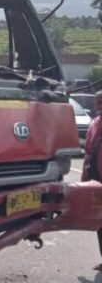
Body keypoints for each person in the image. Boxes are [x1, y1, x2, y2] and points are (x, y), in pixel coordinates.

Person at [81, 90, 102, 270]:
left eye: (100, 102)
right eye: (97, 102)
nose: (98, 106)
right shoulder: (94, 124)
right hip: (96, 180)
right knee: (99, 222)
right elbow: (88, 152)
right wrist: (84, 178)